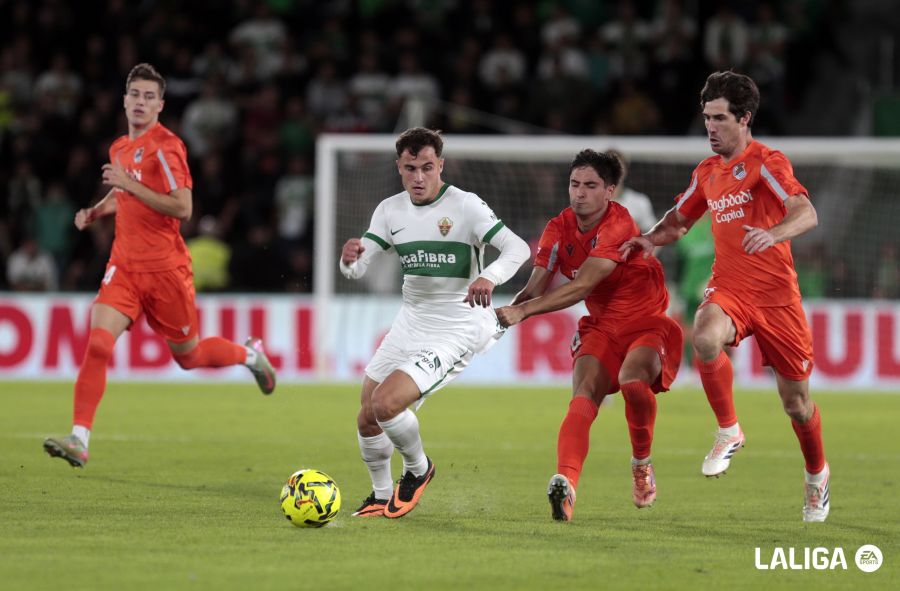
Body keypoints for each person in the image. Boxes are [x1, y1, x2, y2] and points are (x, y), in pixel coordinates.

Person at [43, 64, 277, 468]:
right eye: (135, 94)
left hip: (167, 271)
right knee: (98, 343)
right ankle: (79, 439)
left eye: (150, 97)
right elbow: (123, 193)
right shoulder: (119, 147)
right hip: (125, 267)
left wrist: (127, 184)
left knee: (188, 357)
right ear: (125, 99)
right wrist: (96, 212)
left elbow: (183, 207)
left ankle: (250, 356)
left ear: (160, 105)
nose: (140, 102)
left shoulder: (167, 147)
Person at [620, 71, 828, 522]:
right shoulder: (707, 172)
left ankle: (816, 478)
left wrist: (772, 235)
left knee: (796, 404)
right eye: (706, 118)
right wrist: (647, 239)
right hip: (730, 288)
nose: (710, 128)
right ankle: (729, 430)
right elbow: (678, 222)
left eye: (719, 118)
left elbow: (805, 212)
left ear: (745, 118)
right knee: (705, 334)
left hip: (777, 298)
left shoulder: (767, 163)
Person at [340, 127, 530, 519]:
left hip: (457, 327)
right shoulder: (390, 210)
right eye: (410, 168)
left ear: (441, 165)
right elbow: (359, 269)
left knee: (387, 403)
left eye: (427, 167)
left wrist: (488, 277)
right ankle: (379, 495)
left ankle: (418, 469)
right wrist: (348, 260)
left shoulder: (466, 206)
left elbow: (518, 248)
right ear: (399, 167)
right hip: (409, 322)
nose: (419, 177)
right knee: (366, 414)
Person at [495, 149, 683, 521]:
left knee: (632, 381)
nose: (579, 193)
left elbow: (582, 286)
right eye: (574, 184)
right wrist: (500, 317)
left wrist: (524, 313)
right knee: (582, 398)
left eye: (590, 186)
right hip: (601, 327)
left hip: (646, 320)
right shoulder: (557, 227)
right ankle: (566, 487)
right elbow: (534, 288)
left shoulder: (620, 223)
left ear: (610, 191)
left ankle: (641, 464)